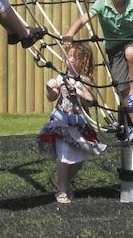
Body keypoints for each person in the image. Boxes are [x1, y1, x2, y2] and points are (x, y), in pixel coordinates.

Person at [62, 0, 133, 145]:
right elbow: (84, 19)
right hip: (113, 49)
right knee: (122, 91)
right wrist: (70, 33)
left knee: (131, 53)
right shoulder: (101, 3)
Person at [37, 42, 106, 204]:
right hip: (62, 120)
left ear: (84, 62)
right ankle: (61, 189)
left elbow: (90, 101)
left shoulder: (85, 80)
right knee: (64, 154)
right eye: (69, 56)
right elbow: (52, 97)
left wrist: (78, 91)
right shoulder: (61, 77)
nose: (71, 60)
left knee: (80, 157)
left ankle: (65, 183)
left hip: (79, 121)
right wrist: (49, 88)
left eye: (75, 57)